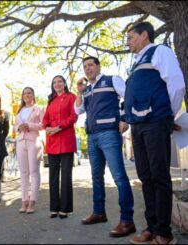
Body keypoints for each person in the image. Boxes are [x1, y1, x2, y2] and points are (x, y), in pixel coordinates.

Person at [125, 22, 185, 245]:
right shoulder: (137, 63)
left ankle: (164, 233)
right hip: (138, 125)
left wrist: (168, 114)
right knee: (146, 177)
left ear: (144, 35)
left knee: (159, 176)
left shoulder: (160, 51)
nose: (128, 41)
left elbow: (176, 85)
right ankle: (151, 228)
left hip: (155, 121)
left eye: (131, 37)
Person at [74, 56, 136, 237]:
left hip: (109, 133)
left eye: (91, 65)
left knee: (119, 177)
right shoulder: (86, 90)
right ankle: (99, 212)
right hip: (92, 136)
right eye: (85, 66)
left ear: (98, 66)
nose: (87, 69)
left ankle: (127, 221)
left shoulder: (111, 80)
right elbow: (77, 111)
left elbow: (129, 97)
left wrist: (125, 119)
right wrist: (79, 91)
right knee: (96, 177)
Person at [43, 75, 78, 219]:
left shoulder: (71, 97)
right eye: (54, 82)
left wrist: (59, 127)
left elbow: (74, 116)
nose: (57, 84)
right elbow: (45, 118)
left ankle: (65, 208)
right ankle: (54, 208)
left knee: (65, 176)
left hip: (66, 140)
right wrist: (47, 127)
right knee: (53, 176)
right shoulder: (50, 100)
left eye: (59, 81)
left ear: (64, 84)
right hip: (52, 141)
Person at [14, 87, 44, 214]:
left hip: (34, 142)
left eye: (29, 93)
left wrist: (29, 126)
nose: (26, 95)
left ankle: (32, 202)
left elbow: (44, 124)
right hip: (20, 142)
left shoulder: (39, 108)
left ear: (33, 95)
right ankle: (24, 201)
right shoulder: (19, 111)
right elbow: (15, 126)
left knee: (33, 171)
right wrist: (18, 127)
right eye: (24, 93)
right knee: (23, 172)